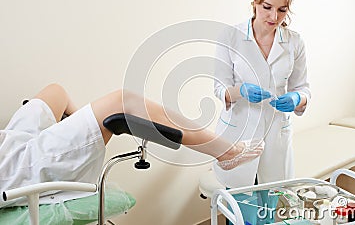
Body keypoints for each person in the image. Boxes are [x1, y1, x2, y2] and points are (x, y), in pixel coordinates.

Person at [0, 83, 263, 207]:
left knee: (55, 91)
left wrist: (80, 127)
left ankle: (77, 138)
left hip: (9, 142)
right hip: (13, 167)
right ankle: (226, 152)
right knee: (123, 101)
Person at [213, 0, 311, 189]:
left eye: (282, 10)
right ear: (255, 2)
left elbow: (303, 88)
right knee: (238, 204)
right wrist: (240, 91)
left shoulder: (294, 41)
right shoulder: (230, 36)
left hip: (276, 130)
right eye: (267, 7)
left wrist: (297, 98)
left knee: (270, 203)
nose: (274, 16)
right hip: (239, 132)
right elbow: (219, 87)